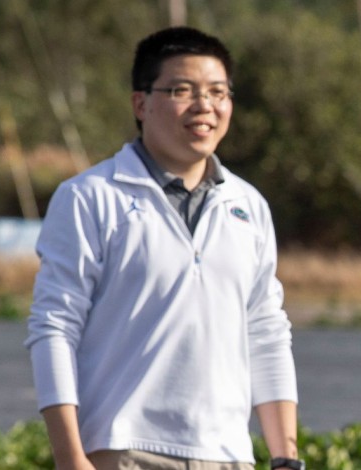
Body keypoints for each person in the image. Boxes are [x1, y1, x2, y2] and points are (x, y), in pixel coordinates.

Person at [25, 27, 304, 470]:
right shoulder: (90, 197)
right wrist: (70, 457)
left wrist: (285, 456)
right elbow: (54, 328)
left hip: (229, 456)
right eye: (182, 90)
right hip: (124, 450)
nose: (205, 106)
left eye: (218, 92)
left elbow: (266, 332)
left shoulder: (248, 206)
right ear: (142, 102)